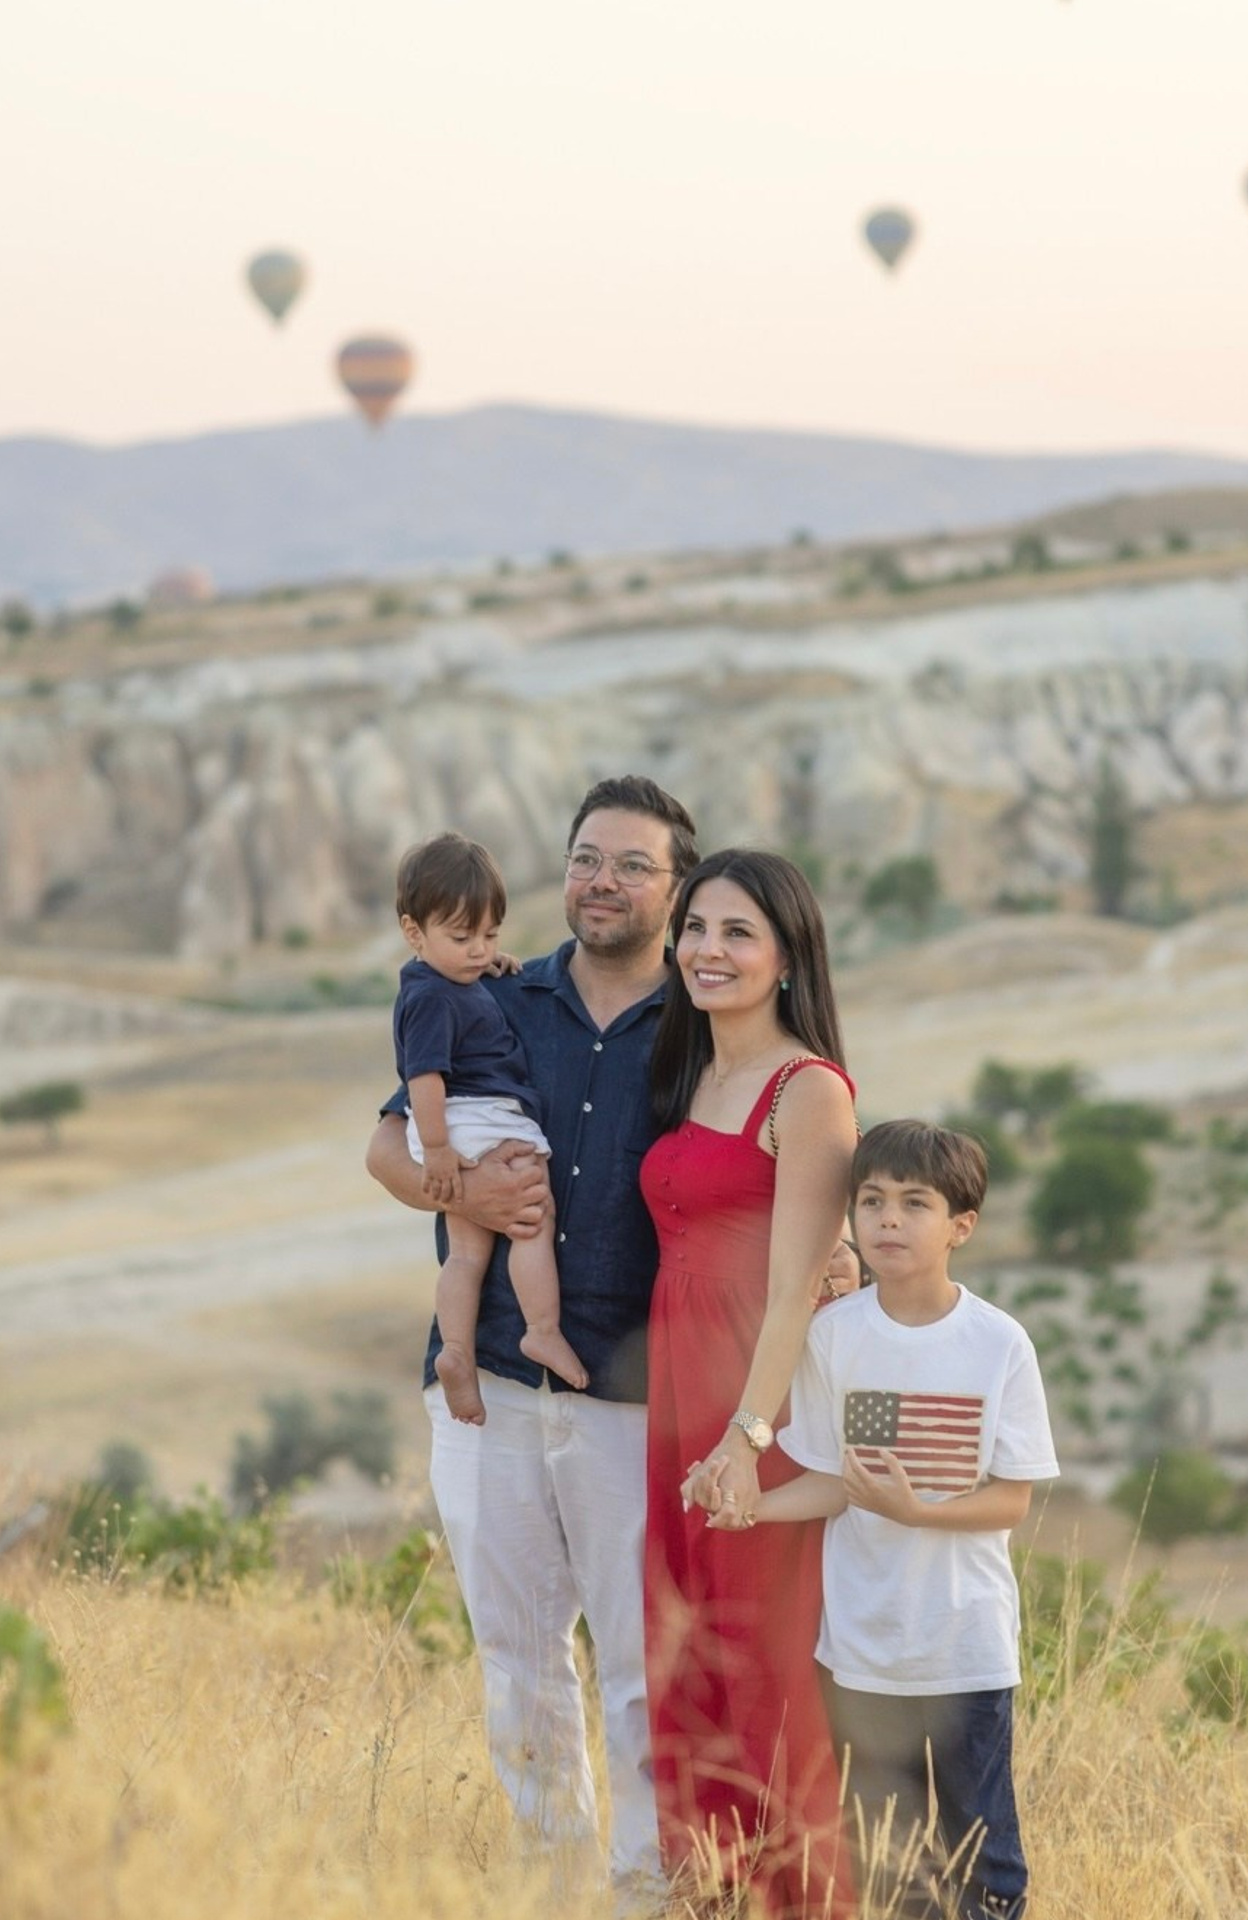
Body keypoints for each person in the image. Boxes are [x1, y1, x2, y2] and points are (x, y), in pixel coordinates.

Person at [364, 775, 699, 1897]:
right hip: (491, 1385)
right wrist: (463, 1197)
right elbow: (387, 1150)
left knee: (642, 1663)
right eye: (587, 858)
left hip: (634, 1398)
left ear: (676, 888)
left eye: (633, 864)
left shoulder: (702, 1023)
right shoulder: (497, 994)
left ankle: (646, 1890)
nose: (603, 881)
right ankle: (555, 1891)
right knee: (517, 1658)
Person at [732, 1120, 1059, 1920]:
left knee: (983, 1859)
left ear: (960, 1226)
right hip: (862, 1651)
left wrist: (918, 1512)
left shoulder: (997, 1344)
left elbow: (1012, 1498)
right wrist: (753, 1508)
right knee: (886, 1862)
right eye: (872, 1200)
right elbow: (835, 1481)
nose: (887, 1219)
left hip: (965, 1647)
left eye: (915, 1204)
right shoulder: (834, 1336)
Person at [643, 848, 859, 1919]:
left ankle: (809, 1902)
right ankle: (710, 1896)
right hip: (677, 1394)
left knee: (766, 1675)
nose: (708, 950)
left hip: (754, 1400)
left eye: (738, 932)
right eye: (695, 927)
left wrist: (746, 1435)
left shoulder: (805, 1088)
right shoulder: (691, 1071)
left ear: (787, 957)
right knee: (687, 1666)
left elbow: (795, 1288)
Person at [393, 830, 589, 1424]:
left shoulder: (445, 981)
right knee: (532, 1215)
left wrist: (483, 969)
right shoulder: (431, 998)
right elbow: (424, 1075)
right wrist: (437, 1151)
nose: (479, 951)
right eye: (462, 938)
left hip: (461, 1126)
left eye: (490, 936)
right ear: (413, 933)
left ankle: (456, 1350)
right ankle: (542, 1329)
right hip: (475, 1120)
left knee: (466, 1254)